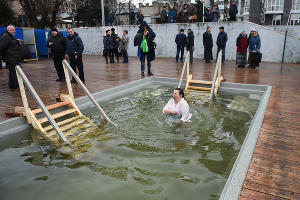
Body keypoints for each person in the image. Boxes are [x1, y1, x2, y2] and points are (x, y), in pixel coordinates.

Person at [0, 25, 20, 90]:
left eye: (15, 29)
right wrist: (5, 56)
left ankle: (12, 86)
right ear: (8, 30)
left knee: (12, 72)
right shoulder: (5, 36)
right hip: (10, 57)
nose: (15, 31)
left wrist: (17, 42)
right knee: (14, 72)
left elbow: (11, 45)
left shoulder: (10, 36)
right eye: (13, 29)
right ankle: (15, 86)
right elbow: (2, 47)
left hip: (13, 57)